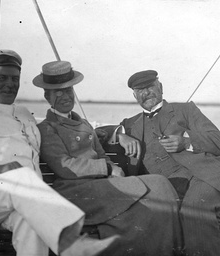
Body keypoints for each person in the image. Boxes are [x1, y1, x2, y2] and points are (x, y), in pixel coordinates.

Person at [0, 49, 119, 256]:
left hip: (23, 203)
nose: (10, 84)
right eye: (3, 78)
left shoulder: (25, 114)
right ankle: (72, 244)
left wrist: (115, 132)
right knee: (21, 176)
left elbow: (61, 123)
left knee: (33, 228)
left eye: (15, 79)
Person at [34, 60, 184, 256]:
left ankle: (170, 249)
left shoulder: (85, 124)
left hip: (101, 186)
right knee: (158, 185)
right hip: (75, 191)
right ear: (47, 97)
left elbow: (102, 153)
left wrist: (116, 150)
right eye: (57, 93)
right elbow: (65, 166)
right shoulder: (47, 128)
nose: (64, 96)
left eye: (68, 90)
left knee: (161, 187)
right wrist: (108, 169)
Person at [101, 70, 220, 256]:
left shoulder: (186, 110)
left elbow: (217, 140)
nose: (146, 93)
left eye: (150, 87)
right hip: (161, 189)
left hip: (199, 178)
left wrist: (187, 141)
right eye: (139, 90)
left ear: (161, 87)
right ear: (134, 95)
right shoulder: (130, 124)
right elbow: (97, 133)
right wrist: (119, 134)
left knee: (195, 210)